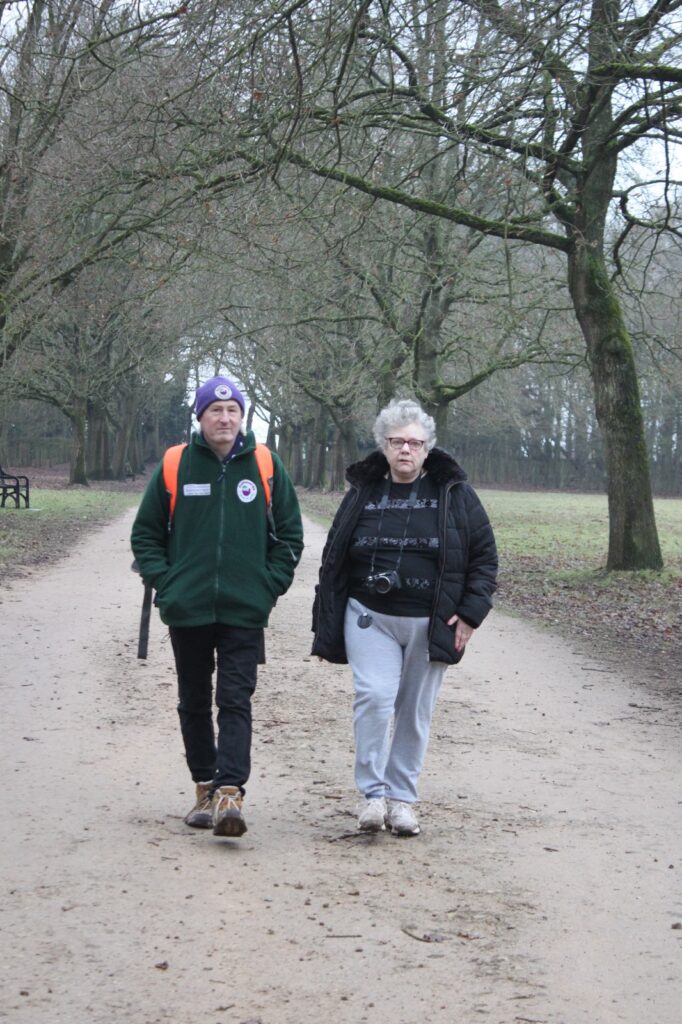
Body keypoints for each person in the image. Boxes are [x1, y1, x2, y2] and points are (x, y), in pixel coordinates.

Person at [312, 399, 497, 837]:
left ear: (428, 449)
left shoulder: (455, 495)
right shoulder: (363, 491)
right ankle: (372, 797)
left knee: (414, 712)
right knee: (374, 697)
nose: (406, 451)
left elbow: (484, 558)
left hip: (431, 621)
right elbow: (335, 553)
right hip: (368, 616)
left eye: (415, 443)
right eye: (397, 442)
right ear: (384, 445)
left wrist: (470, 614)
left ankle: (402, 801)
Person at [131, 376, 303, 838]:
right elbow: (145, 535)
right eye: (215, 411)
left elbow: (290, 534)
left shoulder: (265, 465)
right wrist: (166, 584)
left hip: (245, 609)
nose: (225, 419)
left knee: (234, 698)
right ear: (200, 417)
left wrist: (269, 586)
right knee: (192, 699)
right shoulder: (174, 464)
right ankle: (204, 785)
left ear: (242, 417)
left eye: (232, 412)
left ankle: (231, 791)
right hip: (187, 608)